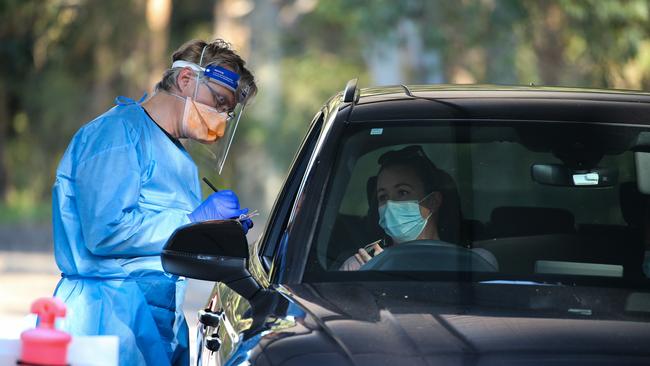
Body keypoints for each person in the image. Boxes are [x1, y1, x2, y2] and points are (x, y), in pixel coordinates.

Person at [52, 39, 257, 366]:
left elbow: (168, 241)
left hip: (153, 319)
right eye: (218, 101)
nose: (220, 117)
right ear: (186, 80)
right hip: (104, 318)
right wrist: (192, 221)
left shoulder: (178, 157)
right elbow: (104, 231)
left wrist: (213, 233)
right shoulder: (119, 134)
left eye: (227, 111)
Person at [340, 145, 497, 271]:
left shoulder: (473, 262)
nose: (390, 205)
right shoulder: (359, 265)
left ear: (433, 201)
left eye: (402, 192)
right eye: (383, 197)